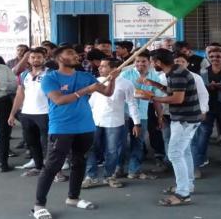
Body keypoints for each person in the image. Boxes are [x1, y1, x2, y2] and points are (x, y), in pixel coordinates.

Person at [32, 46, 118, 219]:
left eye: (75, 53)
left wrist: (113, 79)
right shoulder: (50, 78)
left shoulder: (85, 76)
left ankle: (73, 198)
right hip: (61, 128)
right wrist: (86, 90)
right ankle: (38, 205)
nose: (75, 56)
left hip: (85, 127)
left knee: (79, 163)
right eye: (69, 53)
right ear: (59, 58)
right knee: (52, 166)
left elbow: (108, 92)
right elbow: (59, 100)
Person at [146, 49, 202, 207]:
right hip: (186, 119)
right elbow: (173, 91)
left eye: (152, 61)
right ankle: (187, 185)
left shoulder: (177, 74)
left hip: (185, 120)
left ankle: (183, 193)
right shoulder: (174, 72)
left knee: (175, 154)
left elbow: (177, 99)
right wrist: (155, 85)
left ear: (158, 62)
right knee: (184, 152)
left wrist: (151, 97)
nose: (151, 64)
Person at [83, 58, 140, 189]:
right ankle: (90, 176)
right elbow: (92, 101)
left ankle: (109, 176)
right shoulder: (97, 81)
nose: (99, 68)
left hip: (114, 122)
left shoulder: (126, 84)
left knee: (112, 150)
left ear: (113, 69)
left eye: (103, 66)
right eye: (100, 66)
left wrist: (137, 123)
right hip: (94, 120)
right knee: (91, 148)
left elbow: (132, 104)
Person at [119, 50, 163, 179]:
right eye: (137, 61)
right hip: (124, 113)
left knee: (138, 143)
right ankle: (118, 168)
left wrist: (160, 116)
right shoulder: (125, 74)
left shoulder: (154, 77)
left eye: (143, 61)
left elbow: (156, 98)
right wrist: (141, 92)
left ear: (149, 62)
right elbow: (118, 94)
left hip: (142, 114)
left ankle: (134, 170)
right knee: (120, 143)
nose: (140, 64)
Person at [193, 47, 221, 172]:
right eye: (211, 57)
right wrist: (209, 87)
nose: (215, 59)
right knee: (203, 133)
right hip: (207, 107)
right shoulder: (202, 72)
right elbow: (199, 89)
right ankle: (200, 159)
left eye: (218, 56)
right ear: (208, 58)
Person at [8, 48, 50, 177]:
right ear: (29, 59)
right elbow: (20, 95)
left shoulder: (51, 74)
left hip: (45, 113)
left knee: (47, 144)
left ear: (44, 58)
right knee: (32, 142)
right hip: (27, 113)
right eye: (33, 57)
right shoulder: (24, 75)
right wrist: (12, 113)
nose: (35, 59)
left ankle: (52, 170)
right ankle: (38, 167)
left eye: (39, 57)